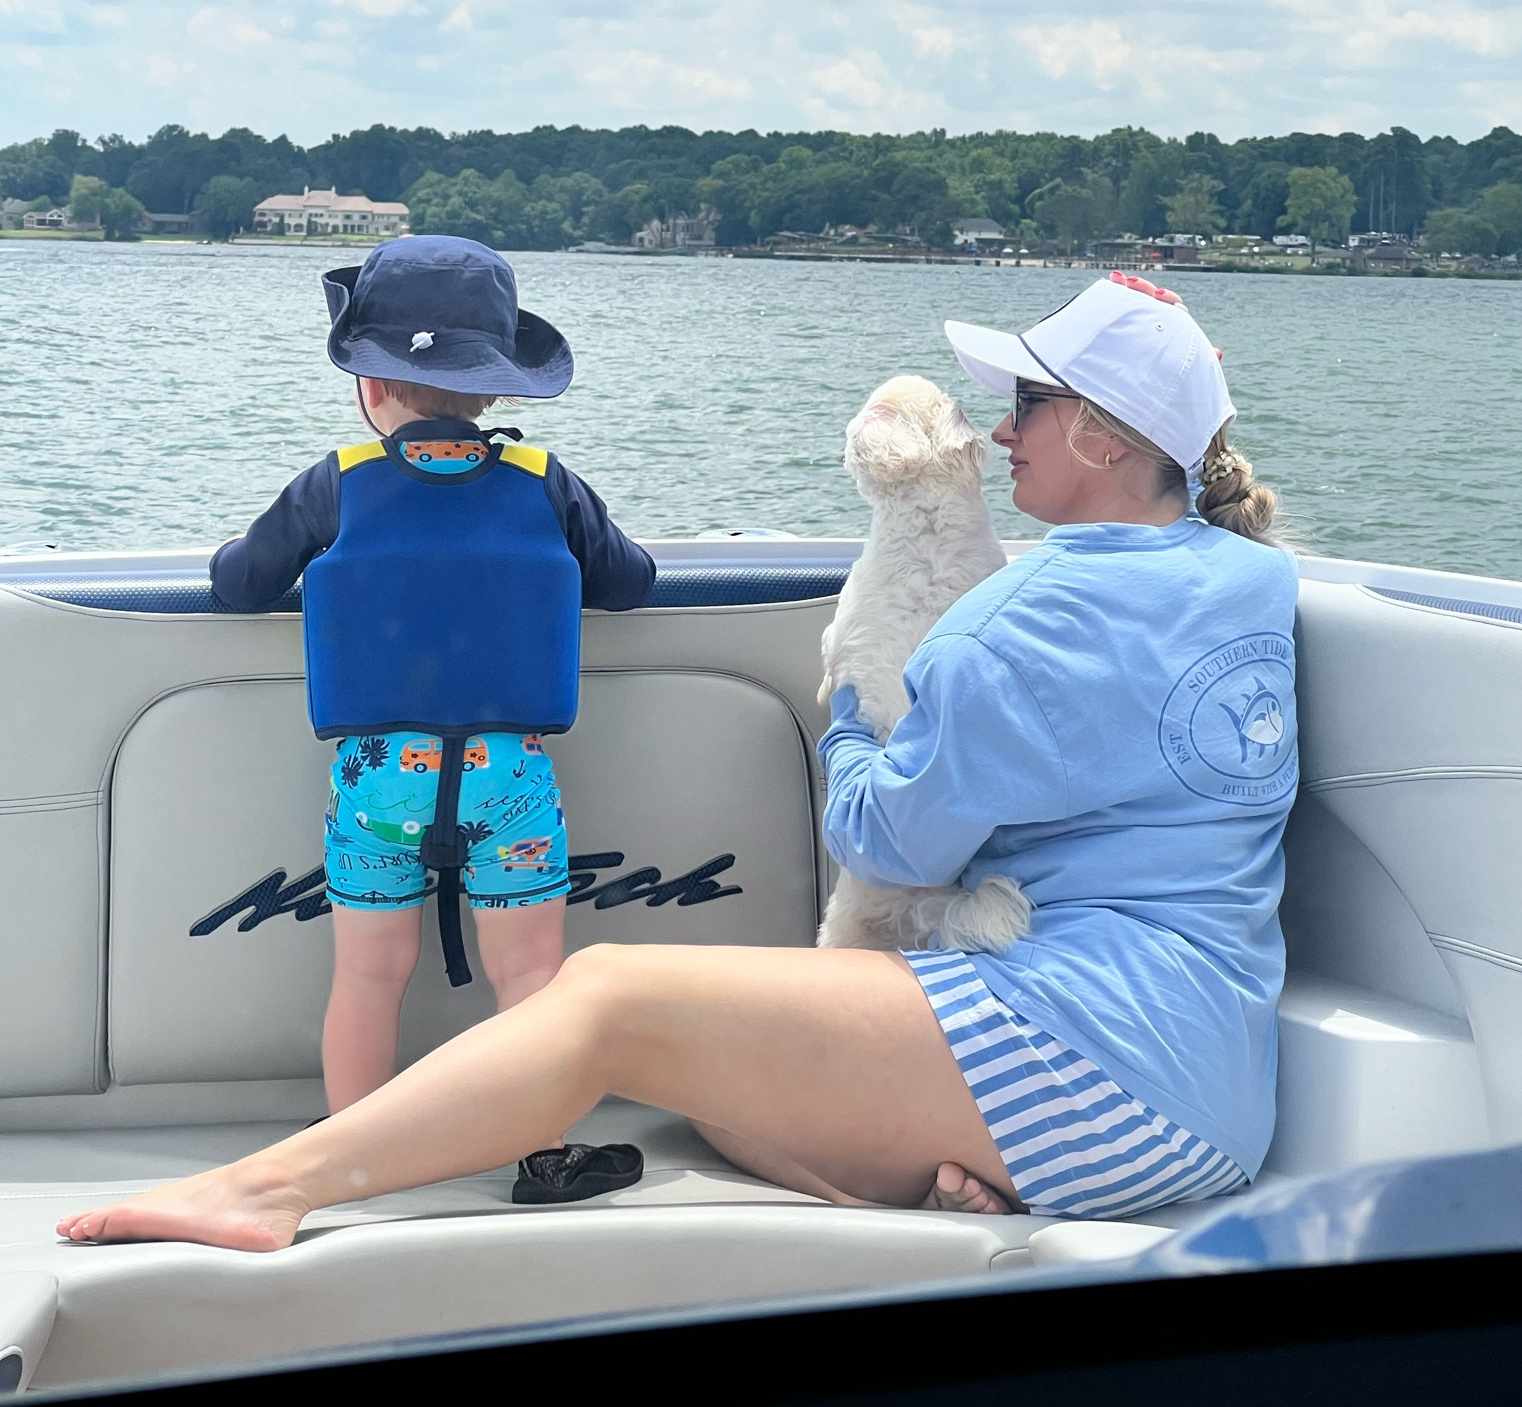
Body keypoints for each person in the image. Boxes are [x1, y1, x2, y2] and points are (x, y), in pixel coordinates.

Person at [58, 271, 1298, 1250]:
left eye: (1025, 407)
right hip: (1217, 1101)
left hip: (1090, 1064)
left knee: (607, 1001)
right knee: (710, 1094)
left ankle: (265, 1189)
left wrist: (857, 725)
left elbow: (889, 841)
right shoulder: (1252, 576)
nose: (1000, 432)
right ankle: (929, 1197)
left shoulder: (1023, 620)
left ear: (1092, 433)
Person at [206, 236, 655, 1127]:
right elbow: (628, 581)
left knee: (370, 977)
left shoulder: (335, 484)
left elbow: (238, 581)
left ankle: (349, 1162)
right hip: (510, 778)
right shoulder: (546, 480)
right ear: (496, 387)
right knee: (530, 977)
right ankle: (541, 1153)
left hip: (378, 777)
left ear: (370, 386)